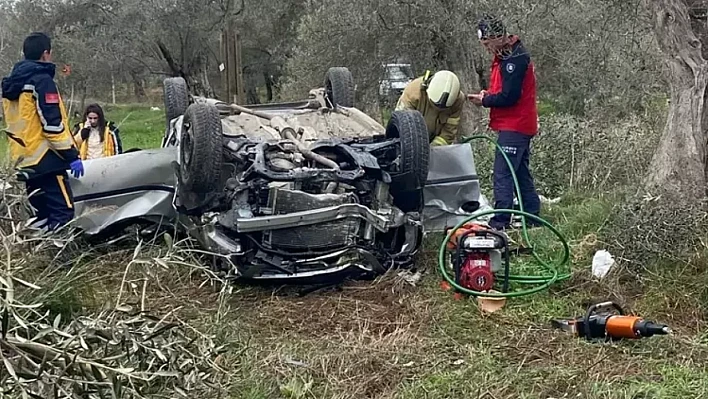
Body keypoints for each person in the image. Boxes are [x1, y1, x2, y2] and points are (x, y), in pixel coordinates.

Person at [1, 32, 84, 231]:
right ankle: (61, 259)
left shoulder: (11, 85)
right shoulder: (42, 81)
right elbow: (52, 126)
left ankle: (40, 254)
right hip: (48, 160)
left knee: (40, 214)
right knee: (63, 212)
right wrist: (71, 155)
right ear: (46, 54)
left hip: (23, 161)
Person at [468, 14, 541, 230]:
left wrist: (485, 101)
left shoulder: (514, 59)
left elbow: (510, 96)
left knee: (502, 172)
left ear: (496, 37)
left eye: (486, 43)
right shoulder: (506, 55)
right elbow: (504, 89)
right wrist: (488, 93)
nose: (486, 47)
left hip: (516, 125)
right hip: (517, 123)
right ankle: (532, 215)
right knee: (520, 171)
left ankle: (500, 221)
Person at [395, 70, 466, 146]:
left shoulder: (458, 100)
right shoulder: (413, 92)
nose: (438, 109)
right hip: (409, 142)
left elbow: (449, 131)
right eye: (434, 105)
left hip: (435, 145)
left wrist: (434, 148)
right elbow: (403, 125)